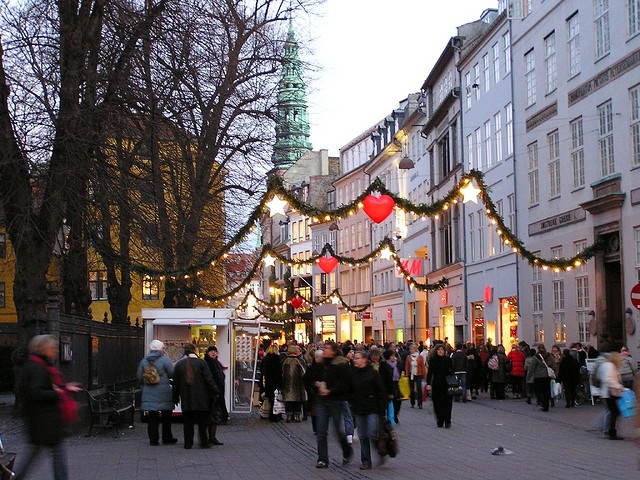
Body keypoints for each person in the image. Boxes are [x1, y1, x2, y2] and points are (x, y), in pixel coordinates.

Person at [15, 334, 81, 480]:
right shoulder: (38, 367)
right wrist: (57, 393)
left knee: (35, 454)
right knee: (51, 455)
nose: (55, 351)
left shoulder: (37, 364)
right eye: (53, 348)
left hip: (43, 420)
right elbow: (36, 392)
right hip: (44, 420)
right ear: (43, 349)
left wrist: (64, 388)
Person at [309, 341, 353, 469]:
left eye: (327, 348)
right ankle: (322, 459)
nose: (324, 351)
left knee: (337, 430)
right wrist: (316, 384)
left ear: (334, 350)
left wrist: (331, 390)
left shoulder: (341, 364)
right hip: (322, 400)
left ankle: (347, 451)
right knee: (321, 431)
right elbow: (310, 377)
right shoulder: (321, 364)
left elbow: (345, 383)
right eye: (323, 348)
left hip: (336, 400)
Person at [172, 343, 219, 449]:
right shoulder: (201, 363)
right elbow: (209, 379)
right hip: (201, 398)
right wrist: (216, 390)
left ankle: (188, 443)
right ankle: (203, 441)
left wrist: (175, 397)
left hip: (186, 398)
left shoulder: (180, 365)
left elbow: (176, 383)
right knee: (202, 422)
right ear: (194, 350)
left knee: (188, 422)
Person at [349, 351, 386, 470]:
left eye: (358, 358)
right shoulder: (353, 373)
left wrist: (381, 410)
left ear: (365, 360)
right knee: (363, 436)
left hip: (372, 408)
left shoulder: (373, 373)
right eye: (354, 358)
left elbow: (381, 391)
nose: (355, 360)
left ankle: (381, 450)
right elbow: (349, 390)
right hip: (359, 408)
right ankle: (366, 461)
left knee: (371, 433)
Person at [137, 340, 178, 446]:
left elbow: (139, 376)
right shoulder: (165, 360)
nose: (164, 349)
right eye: (163, 348)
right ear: (160, 349)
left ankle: (153, 440)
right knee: (166, 416)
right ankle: (167, 438)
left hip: (149, 392)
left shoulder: (144, 361)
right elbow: (171, 373)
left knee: (152, 417)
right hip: (164, 392)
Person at [599, 352, 625, 440]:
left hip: (608, 393)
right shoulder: (611, 366)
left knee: (612, 412)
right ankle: (611, 432)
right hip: (609, 393)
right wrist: (619, 386)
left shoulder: (608, 365)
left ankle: (609, 431)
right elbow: (608, 379)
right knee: (614, 412)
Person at [426, 344, 454, 428]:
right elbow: (430, 373)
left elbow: (452, 370)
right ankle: (440, 420)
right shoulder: (433, 360)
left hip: (447, 384)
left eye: (442, 349)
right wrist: (428, 384)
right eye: (439, 350)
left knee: (448, 403)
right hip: (437, 384)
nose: (440, 351)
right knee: (437, 403)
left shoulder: (447, 359)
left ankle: (447, 420)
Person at [204, 345, 227, 444]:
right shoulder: (206, 363)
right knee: (209, 416)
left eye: (214, 351)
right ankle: (208, 438)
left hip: (218, 392)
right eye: (211, 351)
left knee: (214, 416)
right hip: (209, 393)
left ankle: (212, 437)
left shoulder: (217, 363)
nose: (213, 353)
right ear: (208, 353)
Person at [281, 345, 307, 423]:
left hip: (287, 384)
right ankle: (297, 416)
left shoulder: (284, 361)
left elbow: (281, 372)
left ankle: (289, 416)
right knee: (297, 401)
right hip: (297, 384)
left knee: (288, 401)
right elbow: (304, 372)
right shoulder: (299, 361)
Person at [260, 344, 283, 422]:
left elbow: (262, 370)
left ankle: (271, 414)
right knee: (275, 400)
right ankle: (274, 415)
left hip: (268, 382)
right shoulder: (277, 359)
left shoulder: (266, 359)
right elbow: (279, 372)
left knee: (270, 399)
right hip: (275, 382)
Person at [531, 344, 553, 411]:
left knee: (539, 391)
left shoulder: (536, 357)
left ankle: (542, 403)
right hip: (547, 376)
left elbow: (532, 367)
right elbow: (552, 364)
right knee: (546, 391)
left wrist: (529, 376)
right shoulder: (549, 356)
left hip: (538, 376)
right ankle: (546, 405)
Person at [405, 343, 427, 408]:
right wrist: (407, 374)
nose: (410, 350)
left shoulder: (420, 357)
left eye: (411, 349)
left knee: (419, 388)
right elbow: (407, 366)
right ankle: (412, 402)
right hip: (411, 374)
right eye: (410, 349)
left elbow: (422, 366)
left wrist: (424, 375)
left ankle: (420, 404)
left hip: (418, 373)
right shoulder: (408, 357)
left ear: (415, 349)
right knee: (411, 389)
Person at [383, 349, 402, 423]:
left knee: (398, 402)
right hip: (389, 384)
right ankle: (391, 416)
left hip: (397, 383)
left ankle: (395, 414)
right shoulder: (385, 365)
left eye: (394, 355)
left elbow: (401, 371)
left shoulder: (398, 364)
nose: (393, 357)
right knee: (391, 401)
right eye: (392, 356)